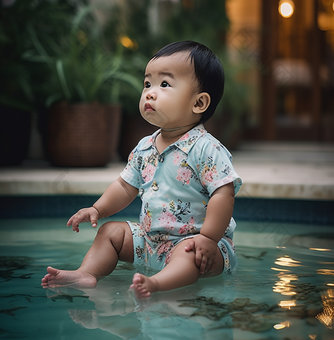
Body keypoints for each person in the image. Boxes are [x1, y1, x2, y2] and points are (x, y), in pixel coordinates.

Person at [41, 40, 242, 298]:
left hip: (200, 246)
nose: (150, 92)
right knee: (111, 232)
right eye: (148, 84)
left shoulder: (206, 149)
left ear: (199, 103)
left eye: (164, 84)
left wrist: (208, 238)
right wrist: (97, 209)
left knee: (187, 255)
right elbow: (125, 186)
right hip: (150, 242)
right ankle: (87, 273)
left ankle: (158, 285)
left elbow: (223, 194)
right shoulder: (145, 147)